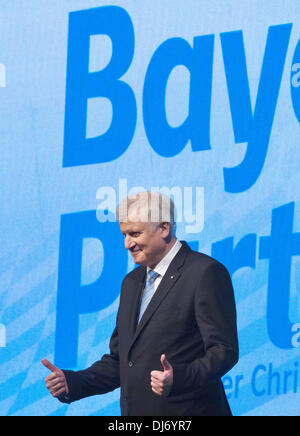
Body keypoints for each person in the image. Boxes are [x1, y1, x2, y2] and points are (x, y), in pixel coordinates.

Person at [42, 191, 239, 416]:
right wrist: (73, 382)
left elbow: (223, 351)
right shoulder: (132, 282)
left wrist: (179, 378)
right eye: (124, 235)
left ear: (164, 228)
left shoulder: (204, 272)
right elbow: (122, 361)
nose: (127, 244)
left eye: (134, 233)